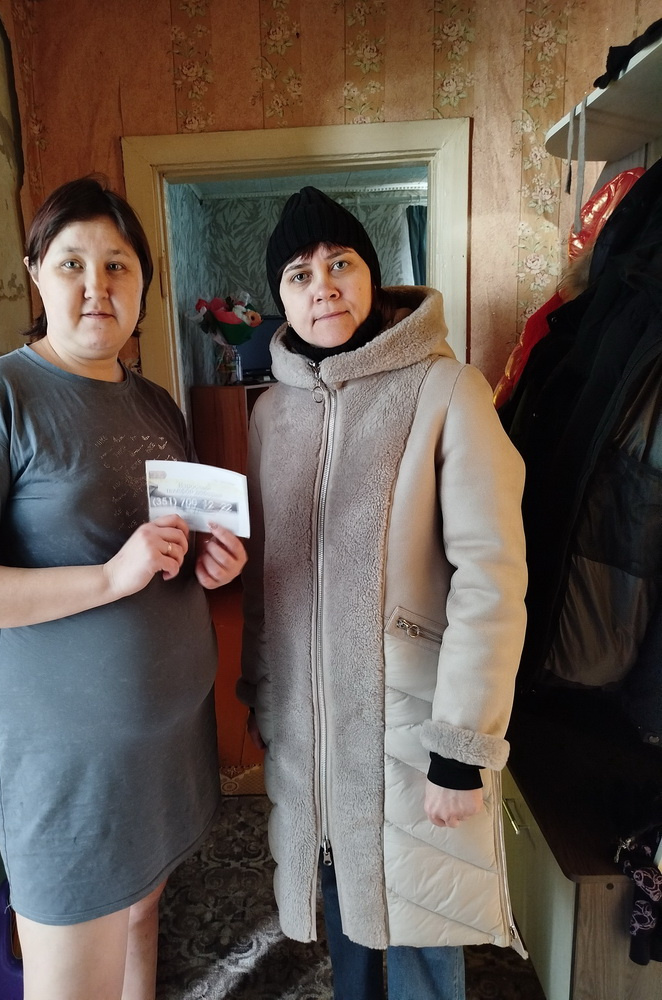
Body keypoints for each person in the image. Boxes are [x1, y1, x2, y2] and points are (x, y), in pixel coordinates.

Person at [0, 176, 247, 1000]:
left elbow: (161, 545)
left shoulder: (155, 403)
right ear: (37, 274)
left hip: (163, 750)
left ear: (142, 286)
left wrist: (209, 564)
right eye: (72, 264)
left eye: (118, 266)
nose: (97, 286)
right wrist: (107, 578)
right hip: (68, 769)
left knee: (140, 925)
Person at [239, 186, 528, 1000]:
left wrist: (461, 746)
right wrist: (264, 693)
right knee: (346, 918)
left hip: (414, 731)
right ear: (281, 297)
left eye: (340, 264)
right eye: (299, 275)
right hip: (314, 735)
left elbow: (492, 575)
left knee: (423, 931)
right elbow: (268, 576)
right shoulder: (272, 415)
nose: (323, 286)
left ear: (372, 273)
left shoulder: (448, 390)